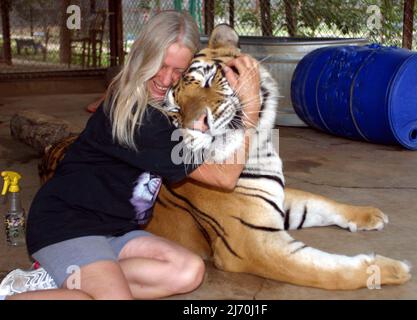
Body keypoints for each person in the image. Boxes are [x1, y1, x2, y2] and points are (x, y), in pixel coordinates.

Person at [0, 11, 260, 300]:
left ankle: (56, 279)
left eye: (178, 70)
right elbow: (225, 178)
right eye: (160, 66)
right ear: (142, 56)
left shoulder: (146, 96)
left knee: (188, 271)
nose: (165, 79)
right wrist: (250, 108)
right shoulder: (141, 119)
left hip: (114, 230)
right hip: (67, 226)